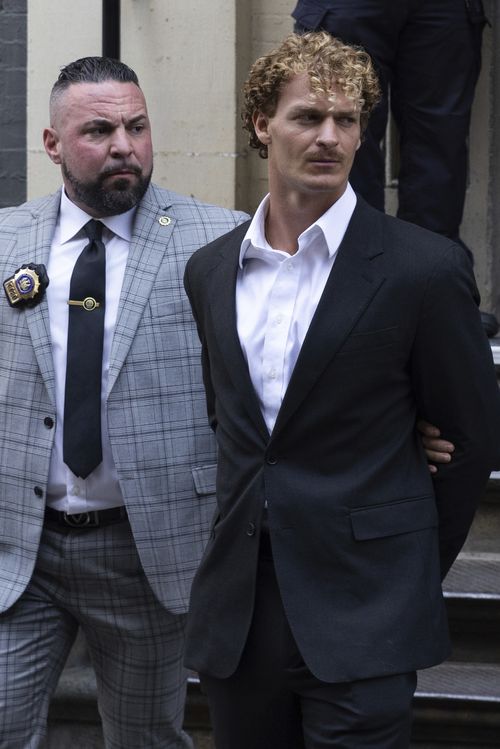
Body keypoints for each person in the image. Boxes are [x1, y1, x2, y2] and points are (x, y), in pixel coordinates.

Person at [182, 32, 500, 748]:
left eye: (347, 120)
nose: (329, 136)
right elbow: (234, 426)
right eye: (307, 117)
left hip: (367, 611)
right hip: (241, 615)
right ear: (263, 124)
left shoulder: (423, 268)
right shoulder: (209, 270)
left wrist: (402, 566)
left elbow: (473, 436)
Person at [0, 56, 248, 748]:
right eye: (100, 130)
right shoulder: (6, 240)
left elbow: (275, 370)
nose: (124, 147)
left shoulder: (217, 239)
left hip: (148, 553)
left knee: (146, 738)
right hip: (22, 551)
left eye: (137, 127)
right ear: (52, 144)